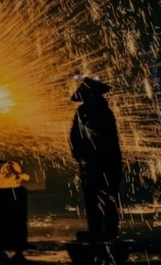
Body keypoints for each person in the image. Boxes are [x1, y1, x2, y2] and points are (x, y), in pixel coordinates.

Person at [69, 77, 123, 242]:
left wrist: (82, 154)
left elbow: (75, 138)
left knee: (99, 200)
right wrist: (80, 153)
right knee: (106, 199)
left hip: (99, 163)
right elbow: (75, 138)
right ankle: (105, 233)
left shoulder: (89, 113)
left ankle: (101, 232)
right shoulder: (101, 112)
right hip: (105, 163)